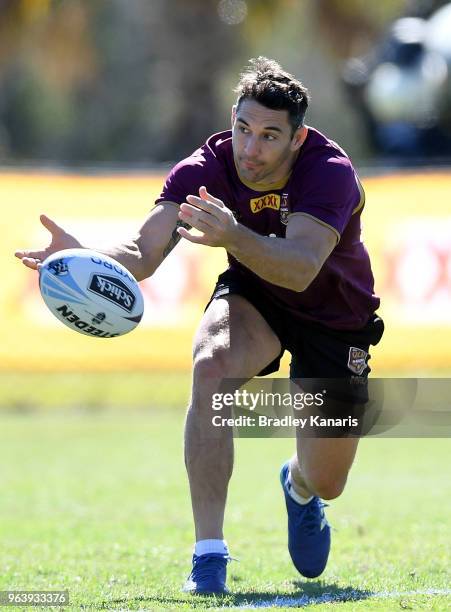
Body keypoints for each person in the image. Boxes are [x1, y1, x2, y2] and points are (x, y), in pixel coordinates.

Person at [15, 57, 383, 596]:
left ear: (297, 138)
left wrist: (232, 235)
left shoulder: (328, 171)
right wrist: (85, 254)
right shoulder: (204, 169)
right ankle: (208, 554)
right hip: (257, 295)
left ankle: (298, 487)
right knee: (210, 366)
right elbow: (142, 252)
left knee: (328, 480)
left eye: (268, 136)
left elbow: (302, 269)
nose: (250, 148)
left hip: (335, 317)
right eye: (242, 129)